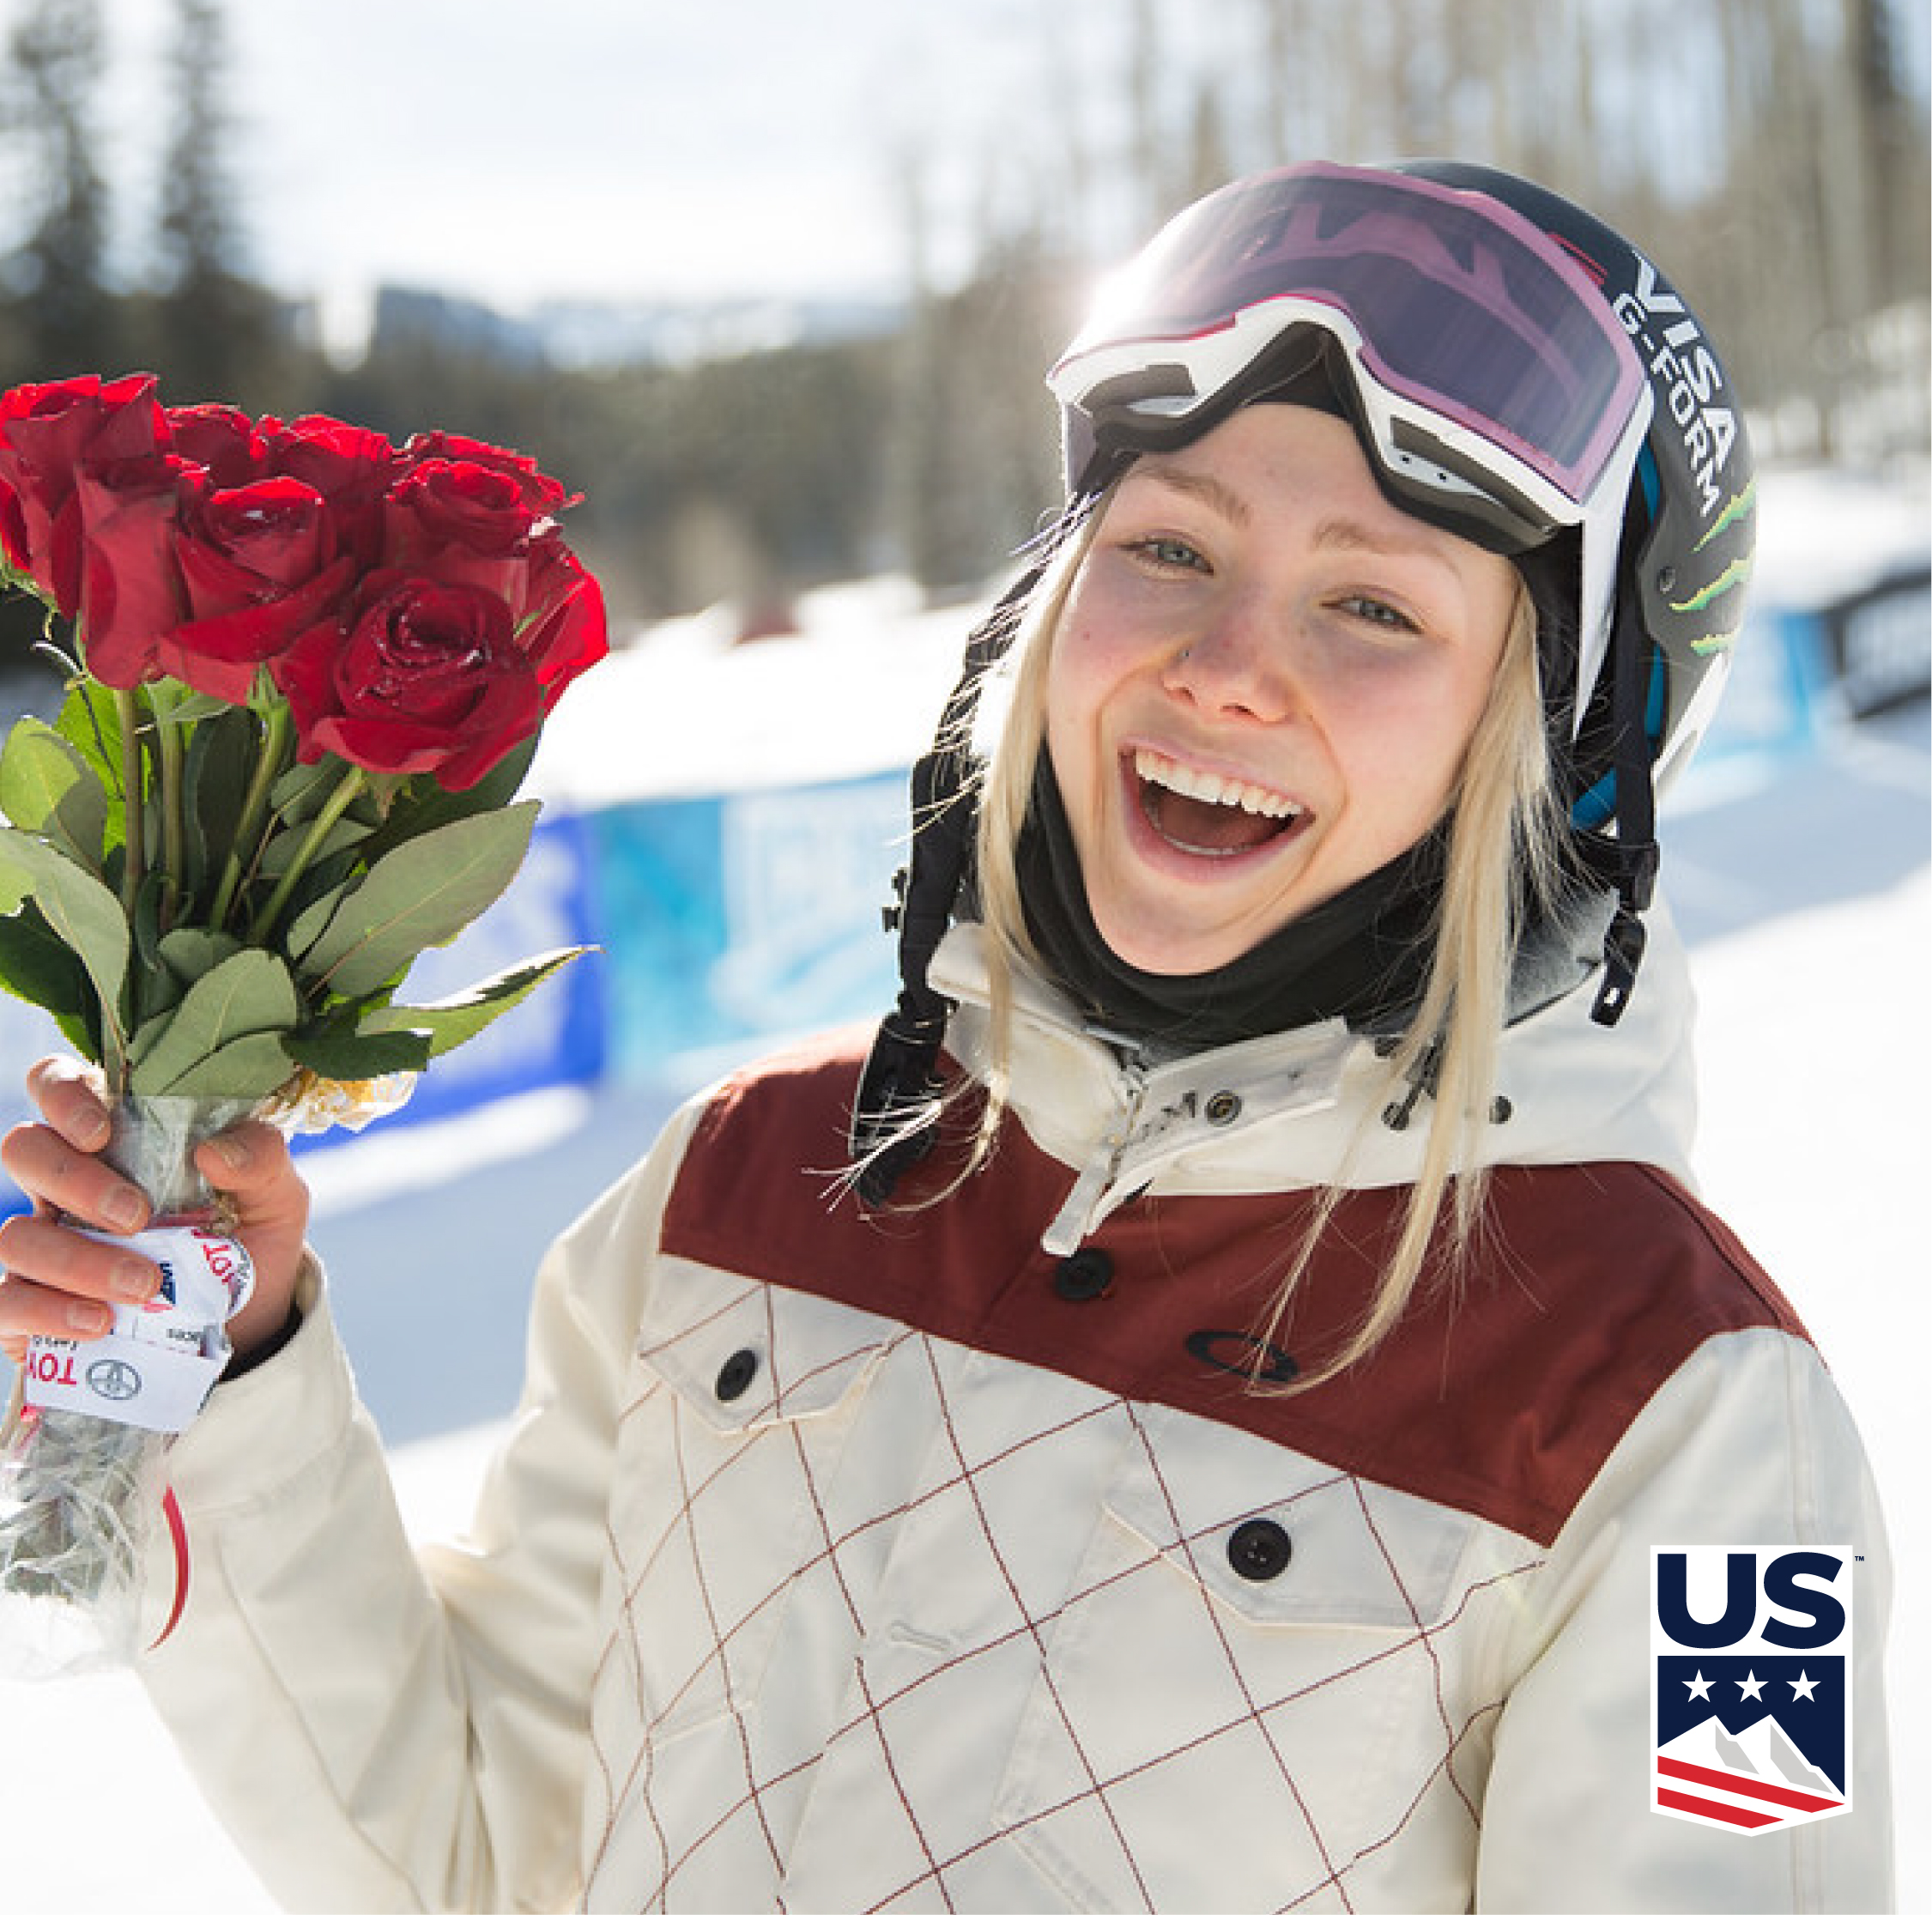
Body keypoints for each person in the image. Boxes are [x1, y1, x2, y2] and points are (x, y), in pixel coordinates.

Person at [0, 161, 1893, 1911]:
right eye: (1166, 548)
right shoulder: (737, 1189)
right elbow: (486, 1850)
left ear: (1559, 751)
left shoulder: (1698, 1427)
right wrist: (222, 1368)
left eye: (1371, 603)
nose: (1227, 661)